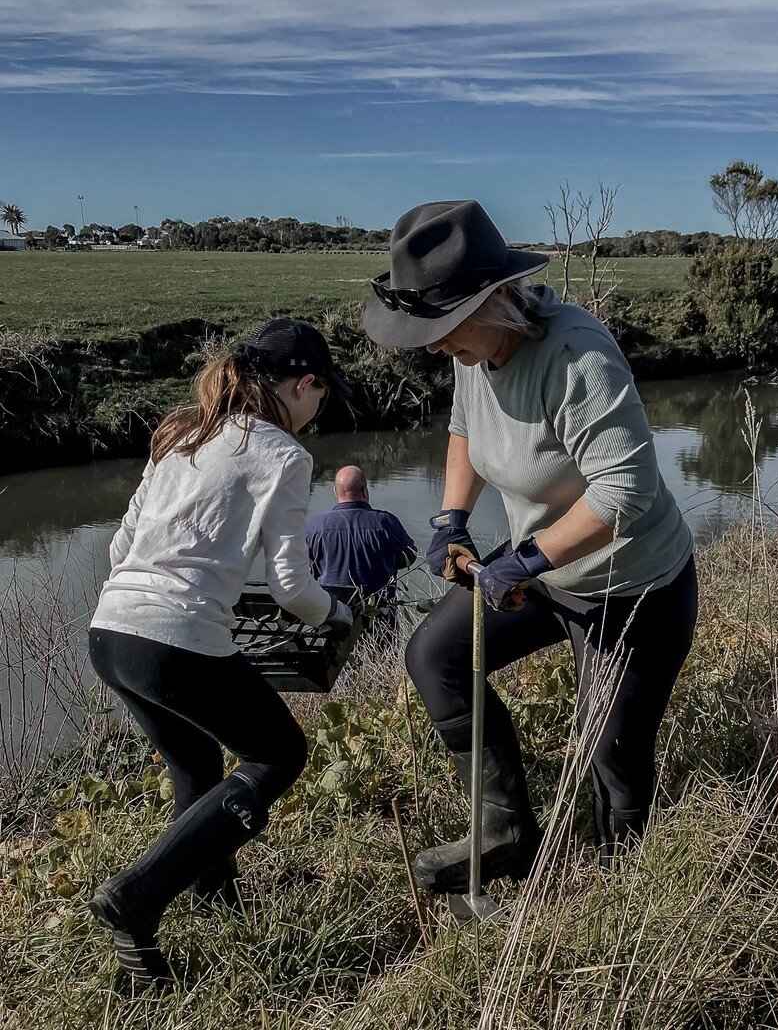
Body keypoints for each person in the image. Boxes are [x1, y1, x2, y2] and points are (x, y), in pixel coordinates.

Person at [363, 200, 698, 894]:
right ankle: (507, 833)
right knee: (436, 656)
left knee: (610, 751)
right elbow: (465, 431)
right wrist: (452, 522)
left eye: (440, 328)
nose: (431, 347)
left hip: (628, 587)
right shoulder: (474, 349)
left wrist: (525, 561)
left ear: (493, 299)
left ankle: (621, 893)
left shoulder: (577, 357)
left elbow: (625, 491)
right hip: (544, 572)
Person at [86, 318, 354, 983]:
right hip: (175, 637)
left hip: (110, 628)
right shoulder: (284, 456)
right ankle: (138, 894)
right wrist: (338, 612)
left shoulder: (180, 435)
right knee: (279, 753)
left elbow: (122, 548)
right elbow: (293, 587)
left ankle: (214, 901)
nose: (317, 411)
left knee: (197, 761)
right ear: (304, 383)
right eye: (320, 396)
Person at [306, 465, 418, 630]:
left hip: (332, 619)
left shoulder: (315, 527)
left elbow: (304, 568)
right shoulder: (386, 523)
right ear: (365, 490)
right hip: (379, 617)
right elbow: (410, 557)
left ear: (335, 492)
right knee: (382, 654)